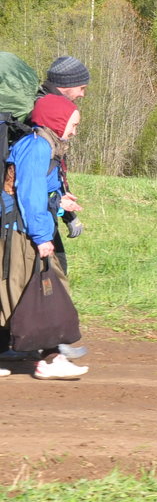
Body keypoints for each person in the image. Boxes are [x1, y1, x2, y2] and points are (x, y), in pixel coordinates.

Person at [0, 95, 88, 379]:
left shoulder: (47, 146)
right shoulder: (37, 147)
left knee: (32, 292)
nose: (75, 130)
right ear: (58, 121)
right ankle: (50, 360)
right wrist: (41, 237)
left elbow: (46, 191)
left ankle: (50, 358)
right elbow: (30, 195)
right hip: (19, 232)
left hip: (25, 229)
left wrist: (61, 202)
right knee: (23, 293)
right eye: (73, 124)